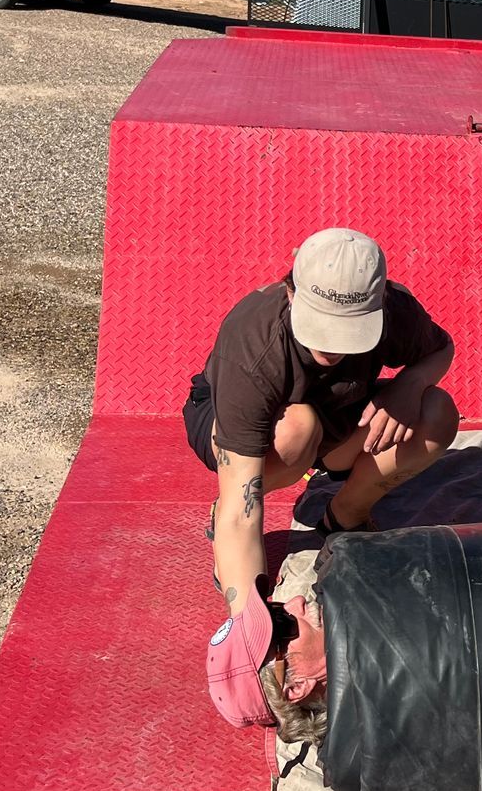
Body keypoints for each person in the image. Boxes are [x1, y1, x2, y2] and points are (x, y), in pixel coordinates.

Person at [188, 229, 459, 725]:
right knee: (297, 429)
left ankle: (344, 512)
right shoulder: (252, 345)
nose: (331, 351)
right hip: (243, 422)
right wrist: (250, 615)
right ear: (291, 293)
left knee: (437, 413)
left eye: (348, 333)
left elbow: (441, 350)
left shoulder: (394, 309)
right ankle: (300, 465)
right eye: (320, 331)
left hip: (338, 407)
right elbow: (241, 508)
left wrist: (408, 386)